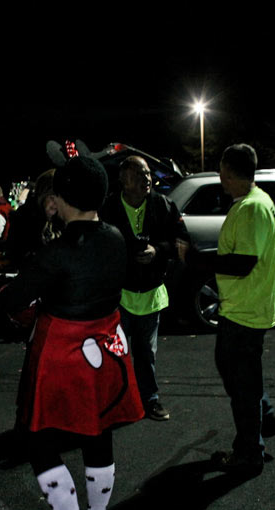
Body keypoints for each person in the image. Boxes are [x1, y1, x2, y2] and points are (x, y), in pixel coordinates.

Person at [0, 156, 144, 510]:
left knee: (39, 441)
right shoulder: (116, 237)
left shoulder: (55, 253)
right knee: (99, 434)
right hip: (108, 347)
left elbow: (11, 300)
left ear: (59, 198)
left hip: (62, 352)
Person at [177, 144, 275, 475]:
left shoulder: (251, 208)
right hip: (245, 308)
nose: (220, 178)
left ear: (235, 174)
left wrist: (194, 259)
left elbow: (242, 262)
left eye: (223, 172)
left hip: (245, 312)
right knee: (240, 374)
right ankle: (263, 421)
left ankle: (249, 452)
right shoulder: (254, 201)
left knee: (241, 385)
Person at [101, 156, 188, 421]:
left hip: (151, 295)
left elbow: (182, 241)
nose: (146, 179)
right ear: (123, 181)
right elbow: (100, 246)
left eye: (148, 173)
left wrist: (157, 250)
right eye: (139, 174)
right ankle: (114, 402)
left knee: (146, 354)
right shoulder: (109, 208)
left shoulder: (163, 205)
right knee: (115, 353)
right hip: (119, 295)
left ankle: (149, 400)